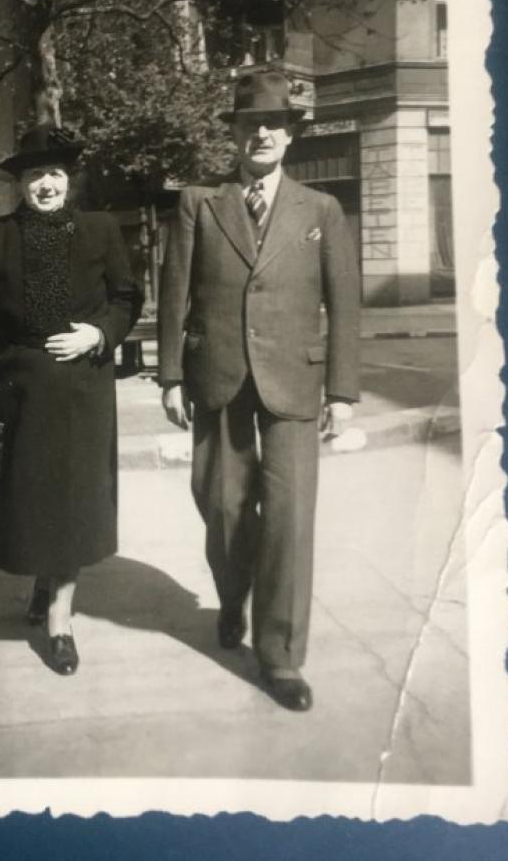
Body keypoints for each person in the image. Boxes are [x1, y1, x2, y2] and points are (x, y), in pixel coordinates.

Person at [157, 70, 360, 712]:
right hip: (216, 372)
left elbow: (345, 305)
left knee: (290, 519)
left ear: (291, 135)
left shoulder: (320, 210)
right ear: (235, 135)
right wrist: (170, 375)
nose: (263, 134)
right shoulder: (200, 203)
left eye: (274, 124)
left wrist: (343, 391)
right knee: (222, 506)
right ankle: (233, 592)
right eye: (251, 124)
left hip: (295, 378)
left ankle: (281, 655)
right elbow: (174, 292)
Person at [0, 125, 141, 676]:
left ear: (69, 179)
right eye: (35, 175)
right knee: (30, 501)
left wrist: (98, 334)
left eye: (54, 173)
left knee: (72, 503)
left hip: (82, 389)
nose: (46, 185)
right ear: (20, 183)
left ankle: (60, 620)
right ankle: (43, 579)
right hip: (16, 391)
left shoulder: (100, 229)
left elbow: (127, 298)